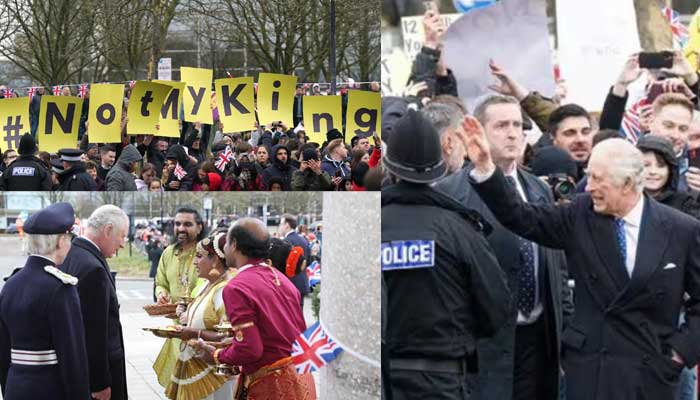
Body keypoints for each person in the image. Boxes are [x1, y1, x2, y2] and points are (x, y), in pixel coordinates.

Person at [463, 109, 700, 400]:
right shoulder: (580, 214)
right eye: (588, 176)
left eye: (598, 180)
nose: (588, 187)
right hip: (591, 372)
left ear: (628, 184)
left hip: (650, 373)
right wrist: (487, 169)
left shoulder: (681, 229)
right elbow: (520, 217)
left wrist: (678, 353)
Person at [436, 95, 573, 400]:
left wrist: (564, 328)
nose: (513, 133)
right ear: (477, 132)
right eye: (501, 125)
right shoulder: (450, 194)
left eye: (517, 125)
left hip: (540, 343)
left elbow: (556, 267)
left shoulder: (538, 188)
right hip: (485, 348)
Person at [382, 109, 510, 399]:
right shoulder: (460, 229)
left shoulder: (368, 225)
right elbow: (496, 307)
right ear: (439, 164)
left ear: (389, 167)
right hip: (441, 381)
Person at [191, 218, 310, 399]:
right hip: (301, 378)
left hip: (271, 385)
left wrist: (216, 355)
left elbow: (250, 348)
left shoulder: (236, 287)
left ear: (234, 245)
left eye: (226, 242)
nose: (223, 249)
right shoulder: (280, 277)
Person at [0, 202, 91, 399]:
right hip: (50, 390)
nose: (70, 243)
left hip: (15, 389)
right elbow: (73, 360)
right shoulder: (60, 288)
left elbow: (3, 352)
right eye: (68, 238)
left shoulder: (10, 285)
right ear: (59, 241)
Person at [61, 205, 129, 400]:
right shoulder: (93, 269)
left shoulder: (74, 253)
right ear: (108, 230)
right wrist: (99, 383)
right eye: (122, 236)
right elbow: (94, 333)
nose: (123, 243)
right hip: (100, 376)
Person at [165, 231, 238, 400]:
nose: (195, 262)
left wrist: (194, 334)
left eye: (199, 256)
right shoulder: (208, 284)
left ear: (215, 260)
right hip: (196, 366)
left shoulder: (224, 290)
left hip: (214, 374)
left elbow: (229, 337)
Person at [153, 206, 206, 388]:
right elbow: (160, 282)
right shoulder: (168, 253)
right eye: (177, 224)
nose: (181, 228)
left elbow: (211, 283)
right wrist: (162, 294)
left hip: (201, 331)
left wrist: (188, 307)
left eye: (187, 224)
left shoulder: (206, 253)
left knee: (198, 387)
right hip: (175, 330)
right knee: (178, 386)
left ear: (199, 227)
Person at [637, 135, 700, 218]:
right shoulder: (624, 200)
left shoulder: (686, 204)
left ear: (670, 170)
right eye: (646, 165)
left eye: (661, 166)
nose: (653, 171)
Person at [278, 214, 310, 308]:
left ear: (286, 225)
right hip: (302, 283)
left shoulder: (286, 241)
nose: (279, 227)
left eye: (281, 224)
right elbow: (308, 261)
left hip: (290, 285)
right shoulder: (303, 240)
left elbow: (282, 265)